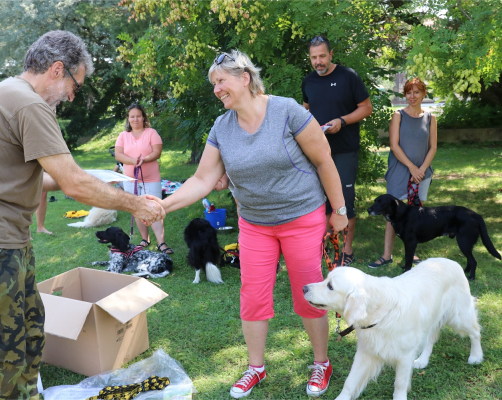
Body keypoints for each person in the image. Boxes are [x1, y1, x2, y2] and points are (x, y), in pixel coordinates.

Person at [0, 30, 164, 399]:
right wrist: (136, 202)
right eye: (74, 85)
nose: (70, 96)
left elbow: (26, 175)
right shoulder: (29, 105)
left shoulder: (1, 92)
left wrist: (92, 178)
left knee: (30, 333)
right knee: (0, 352)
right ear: (56, 69)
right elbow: (72, 185)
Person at [156, 50, 348, 399]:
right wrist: (162, 206)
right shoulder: (222, 128)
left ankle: (322, 362)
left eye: (221, 81)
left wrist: (340, 209)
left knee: (309, 294)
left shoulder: (286, 110)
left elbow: (324, 159)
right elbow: (202, 179)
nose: (216, 89)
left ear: (245, 78)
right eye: (213, 84)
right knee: (253, 296)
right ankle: (255, 367)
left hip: (301, 217)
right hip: (255, 223)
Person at [302, 36, 373, 266]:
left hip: (344, 151)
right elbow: (305, 114)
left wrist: (342, 121)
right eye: (314, 58)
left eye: (322, 56)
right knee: (318, 204)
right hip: (316, 153)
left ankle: (347, 252)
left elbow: (366, 108)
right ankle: (319, 249)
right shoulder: (308, 82)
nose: (318, 62)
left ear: (331, 54)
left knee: (344, 203)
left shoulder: (348, 76)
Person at [368, 77, 437, 268]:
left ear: (424, 93)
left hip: (422, 173)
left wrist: (421, 170)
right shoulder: (398, 115)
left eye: (416, 92)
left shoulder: (431, 118)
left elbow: (432, 147)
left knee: (415, 214)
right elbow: (394, 145)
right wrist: (412, 168)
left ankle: (411, 254)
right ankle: (386, 255)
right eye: (408, 92)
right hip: (400, 170)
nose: (412, 96)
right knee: (392, 214)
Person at [115, 104, 173, 254]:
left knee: (155, 208)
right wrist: (133, 160)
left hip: (151, 178)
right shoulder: (123, 136)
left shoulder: (151, 132)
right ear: (128, 118)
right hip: (130, 180)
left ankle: (161, 243)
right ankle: (144, 238)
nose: (135, 119)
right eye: (132, 116)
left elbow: (157, 152)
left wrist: (144, 159)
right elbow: (118, 155)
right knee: (136, 209)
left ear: (143, 117)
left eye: (138, 116)